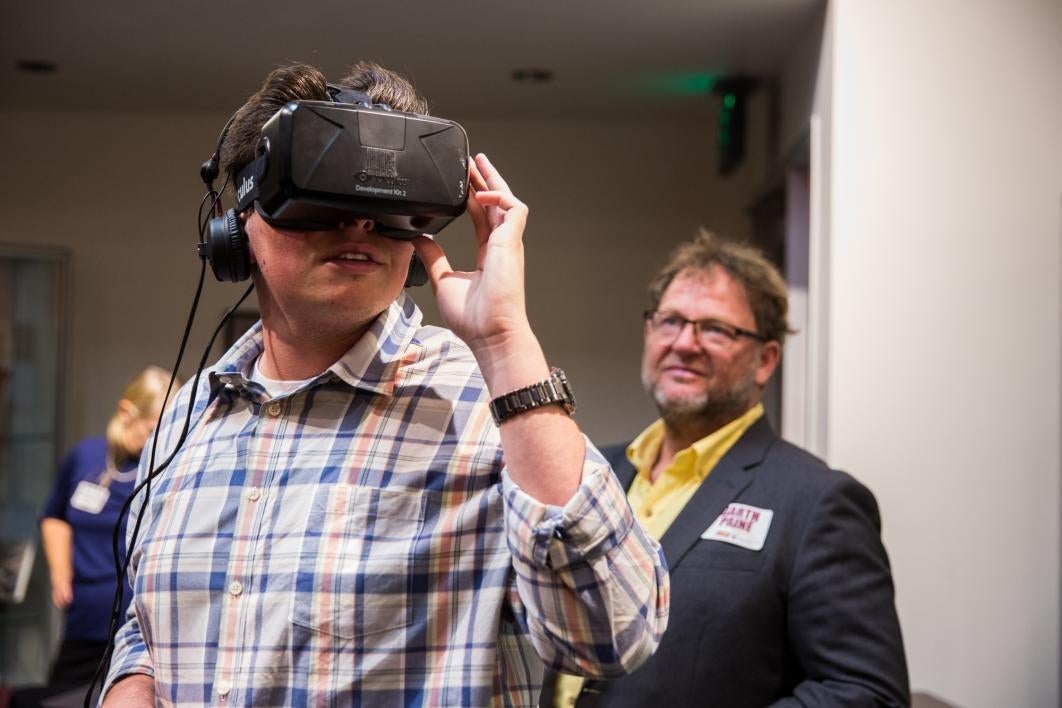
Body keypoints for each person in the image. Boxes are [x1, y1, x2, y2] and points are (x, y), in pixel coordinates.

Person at [101, 62, 668, 706]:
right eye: (322, 192)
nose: (360, 224)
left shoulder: (483, 408)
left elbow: (614, 635)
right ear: (239, 226)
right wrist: (133, 679)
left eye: (383, 202)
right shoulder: (184, 420)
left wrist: (506, 343)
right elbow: (148, 621)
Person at [543, 230, 909, 707]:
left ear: (766, 360)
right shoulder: (592, 471)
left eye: (716, 329)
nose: (685, 343)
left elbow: (868, 693)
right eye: (670, 321)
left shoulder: (817, 502)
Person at [25, 366, 174, 704]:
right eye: (154, 429)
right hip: (82, 623)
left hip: (137, 633)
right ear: (126, 413)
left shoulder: (166, 469)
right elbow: (54, 516)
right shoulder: (87, 456)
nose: (161, 440)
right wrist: (61, 572)